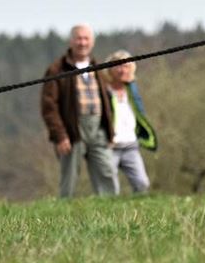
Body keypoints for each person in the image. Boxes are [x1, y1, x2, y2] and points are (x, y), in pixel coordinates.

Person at [40, 24, 118, 197]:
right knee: (70, 176)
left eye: (86, 39)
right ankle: (62, 213)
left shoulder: (97, 67)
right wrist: (60, 135)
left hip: (98, 128)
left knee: (107, 171)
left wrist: (110, 131)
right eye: (79, 38)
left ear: (92, 42)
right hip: (72, 129)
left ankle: (111, 210)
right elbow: (49, 106)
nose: (82, 43)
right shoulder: (57, 69)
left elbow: (108, 101)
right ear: (71, 41)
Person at [102, 50, 158, 194]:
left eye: (126, 66)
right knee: (109, 188)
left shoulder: (132, 90)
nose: (122, 70)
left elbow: (139, 114)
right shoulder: (104, 90)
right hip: (110, 145)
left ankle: (138, 211)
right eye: (118, 66)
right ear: (110, 69)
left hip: (131, 145)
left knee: (142, 183)